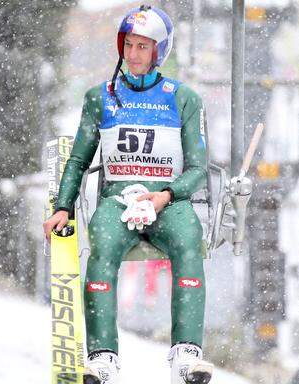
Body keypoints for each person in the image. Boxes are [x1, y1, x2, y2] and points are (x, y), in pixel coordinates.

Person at [43, 5, 214, 384]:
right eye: (129, 45)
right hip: (117, 198)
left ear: (159, 52)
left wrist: (166, 196)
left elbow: (199, 170)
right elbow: (78, 160)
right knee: (101, 245)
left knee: (189, 240)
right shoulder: (99, 97)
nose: (133, 54)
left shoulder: (183, 98)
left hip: (167, 200)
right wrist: (63, 207)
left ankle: (186, 354)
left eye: (142, 46)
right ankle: (103, 357)